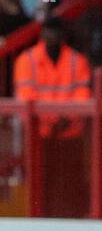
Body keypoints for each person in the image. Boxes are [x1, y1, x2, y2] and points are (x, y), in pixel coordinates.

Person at [13, 17, 91, 214]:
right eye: (49, 31)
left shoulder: (77, 61)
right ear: (42, 34)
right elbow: (26, 97)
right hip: (40, 134)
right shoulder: (26, 61)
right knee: (42, 183)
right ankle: (43, 220)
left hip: (70, 133)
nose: (52, 36)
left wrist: (66, 118)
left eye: (56, 32)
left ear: (63, 36)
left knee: (71, 183)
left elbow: (82, 95)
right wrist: (52, 120)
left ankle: (74, 218)